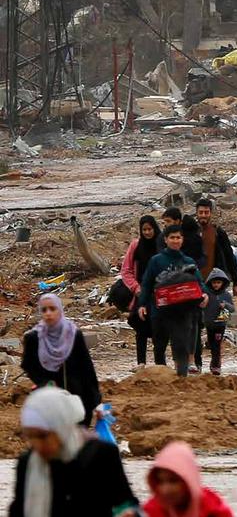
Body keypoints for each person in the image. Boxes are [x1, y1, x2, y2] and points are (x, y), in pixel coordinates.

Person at [9, 387, 138, 517]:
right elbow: (18, 510)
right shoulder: (28, 463)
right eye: (30, 437)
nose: (38, 444)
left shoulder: (101, 455)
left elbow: (125, 502)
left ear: (61, 427)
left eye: (43, 436)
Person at [138, 225, 208, 377]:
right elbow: (147, 283)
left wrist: (205, 295)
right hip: (160, 310)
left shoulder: (188, 261)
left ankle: (181, 378)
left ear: (182, 240)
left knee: (181, 345)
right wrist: (142, 304)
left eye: (178, 237)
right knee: (159, 345)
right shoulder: (156, 261)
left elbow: (199, 283)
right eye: (172, 237)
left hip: (183, 313)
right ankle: (161, 377)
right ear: (165, 239)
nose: (175, 240)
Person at [21, 295, 101, 427]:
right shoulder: (34, 338)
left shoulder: (74, 334)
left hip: (77, 396)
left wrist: (95, 398)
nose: (48, 313)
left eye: (52, 309)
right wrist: (44, 383)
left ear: (60, 310)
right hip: (49, 397)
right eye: (44, 310)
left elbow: (86, 367)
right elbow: (28, 365)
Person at [193, 200, 237, 374]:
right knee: (197, 326)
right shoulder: (191, 233)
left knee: (219, 325)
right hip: (197, 286)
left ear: (211, 213)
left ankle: (216, 362)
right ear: (196, 213)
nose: (203, 215)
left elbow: (229, 257)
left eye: (206, 212)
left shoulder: (219, 233)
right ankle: (197, 363)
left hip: (217, 286)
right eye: (201, 212)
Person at [141, 441, 233, 517]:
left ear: (189, 480)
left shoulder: (213, 509)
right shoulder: (152, 510)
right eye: (160, 482)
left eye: (173, 481)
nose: (166, 490)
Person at [119, 215, 160, 367]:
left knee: (158, 328)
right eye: (144, 230)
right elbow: (126, 270)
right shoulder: (136, 246)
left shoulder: (161, 245)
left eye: (150, 229)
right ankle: (141, 363)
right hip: (141, 293)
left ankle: (159, 363)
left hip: (159, 293)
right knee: (141, 327)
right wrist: (136, 288)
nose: (148, 232)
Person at [201, 270, 235, 376]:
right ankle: (214, 363)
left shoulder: (226, 295)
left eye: (218, 283)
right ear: (210, 283)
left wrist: (225, 305)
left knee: (216, 345)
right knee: (211, 344)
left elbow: (233, 309)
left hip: (220, 325)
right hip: (209, 324)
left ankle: (216, 365)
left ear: (223, 283)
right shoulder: (207, 294)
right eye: (214, 282)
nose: (216, 285)